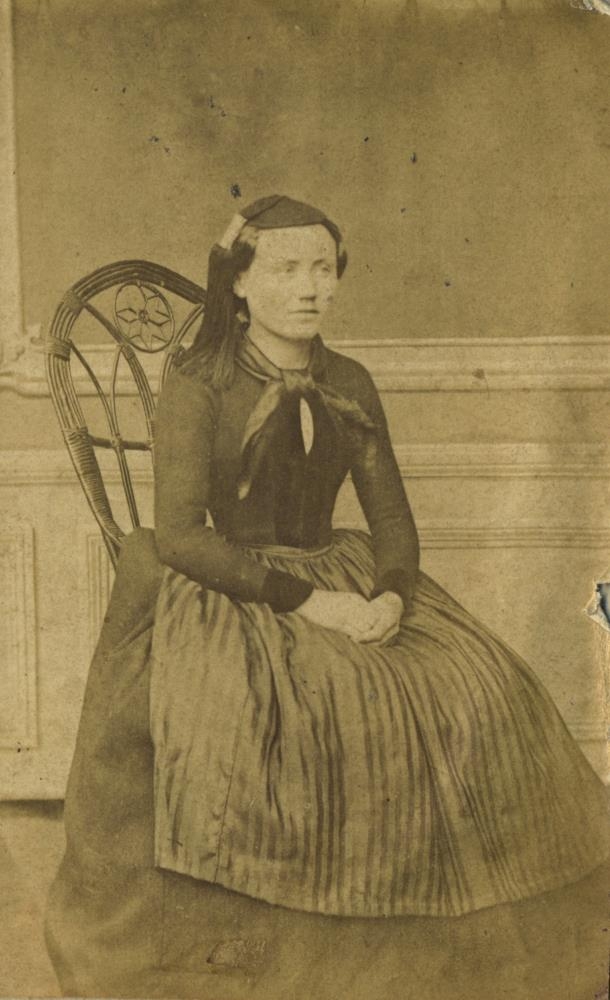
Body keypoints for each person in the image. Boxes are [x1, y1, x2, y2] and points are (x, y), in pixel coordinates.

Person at [45, 195, 609, 999]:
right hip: (228, 584)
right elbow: (182, 537)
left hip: (340, 570)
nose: (309, 287)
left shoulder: (349, 381)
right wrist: (310, 605)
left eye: (322, 268)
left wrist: (390, 595)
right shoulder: (200, 381)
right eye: (285, 269)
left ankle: (443, 955)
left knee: (484, 691)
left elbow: (392, 520)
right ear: (240, 284)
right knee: (297, 712)